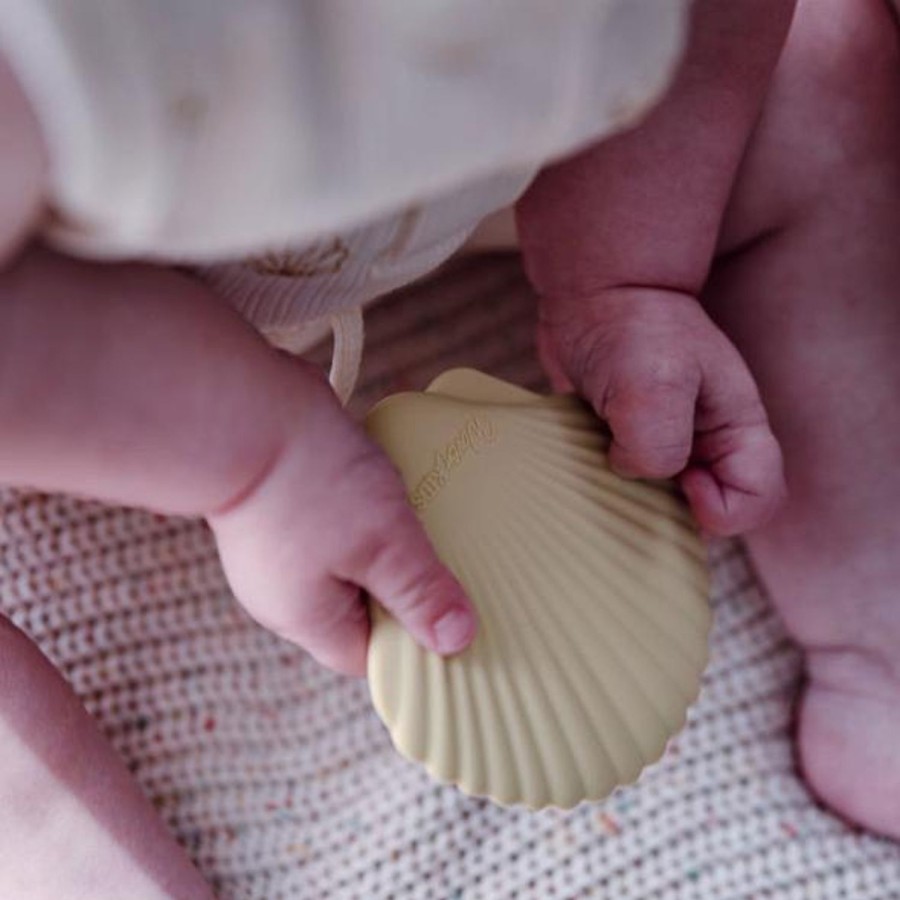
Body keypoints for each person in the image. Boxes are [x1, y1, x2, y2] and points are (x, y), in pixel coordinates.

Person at [0, 0, 895, 896]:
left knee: (825, 69)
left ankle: (874, 625)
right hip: (87, 299)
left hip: (494, 145)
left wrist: (630, 267)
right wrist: (249, 456)